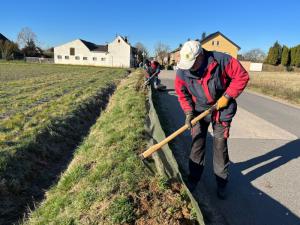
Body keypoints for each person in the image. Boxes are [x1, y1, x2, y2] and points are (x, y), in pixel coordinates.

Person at [174, 40, 249, 199]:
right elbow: (182, 93)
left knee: (219, 147)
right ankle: (193, 179)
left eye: (193, 63)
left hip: (221, 109)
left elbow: (241, 76)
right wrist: (188, 113)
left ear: (201, 56)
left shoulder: (221, 60)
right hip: (198, 110)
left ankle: (221, 183)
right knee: (197, 145)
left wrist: (227, 96)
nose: (190, 68)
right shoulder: (182, 71)